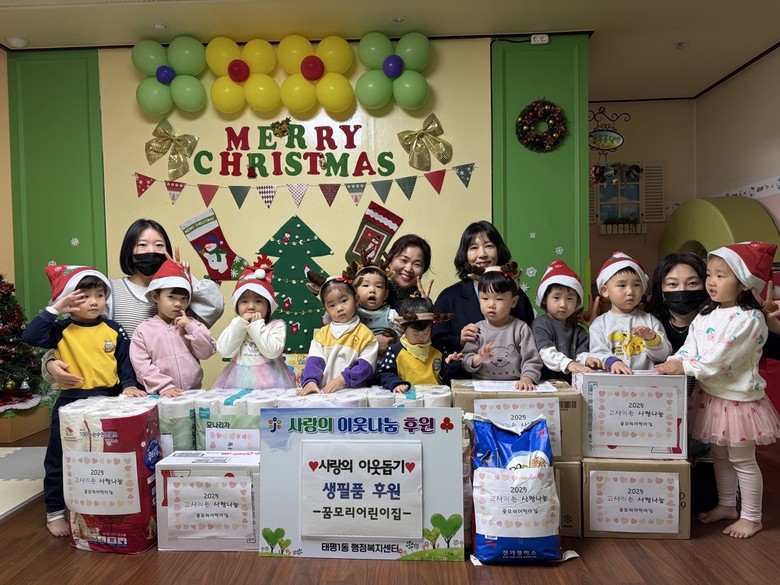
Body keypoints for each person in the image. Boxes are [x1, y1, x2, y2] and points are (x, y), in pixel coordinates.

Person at [655, 241, 780, 539]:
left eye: (721, 275)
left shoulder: (750, 320)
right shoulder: (706, 314)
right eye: (709, 274)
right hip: (712, 398)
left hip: (738, 402)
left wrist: (683, 367)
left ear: (744, 283)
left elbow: (720, 360)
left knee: (743, 460)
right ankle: (727, 505)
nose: (711, 281)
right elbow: (691, 348)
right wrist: (674, 361)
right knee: (721, 457)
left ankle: (751, 517)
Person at [21, 265, 144, 538]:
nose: (94, 302)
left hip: (109, 401)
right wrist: (56, 308)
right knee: (59, 457)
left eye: (99, 295)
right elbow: (30, 336)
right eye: (84, 296)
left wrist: (129, 386)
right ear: (69, 299)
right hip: (71, 403)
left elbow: (124, 362)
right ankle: (55, 511)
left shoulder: (114, 328)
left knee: (106, 457)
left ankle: (104, 504)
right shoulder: (60, 329)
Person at [44, 219, 225, 388]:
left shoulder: (180, 295)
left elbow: (214, 307)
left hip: (178, 393)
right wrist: (49, 364)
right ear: (129, 251)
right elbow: (79, 333)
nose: (151, 250)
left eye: (159, 245)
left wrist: (182, 276)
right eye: (142, 245)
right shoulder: (107, 292)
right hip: (126, 390)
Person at [433, 221, 534, 355]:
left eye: (489, 246)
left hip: (512, 368)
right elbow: (436, 342)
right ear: (465, 254)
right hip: (465, 367)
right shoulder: (448, 297)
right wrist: (459, 340)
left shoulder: (516, 295)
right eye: (474, 247)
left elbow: (530, 342)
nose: (482, 254)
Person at [129, 259, 217, 397]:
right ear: (155, 296)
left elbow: (207, 352)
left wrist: (190, 326)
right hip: (160, 395)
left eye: (184, 299)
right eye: (171, 297)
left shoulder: (192, 325)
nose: (178, 304)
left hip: (192, 394)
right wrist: (164, 387)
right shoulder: (143, 330)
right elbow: (142, 366)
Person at [213, 256, 296, 390]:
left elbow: (272, 352)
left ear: (268, 307)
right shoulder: (237, 326)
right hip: (238, 382)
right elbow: (224, 351)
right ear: (237, 307)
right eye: (244, 301)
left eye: (258, 301)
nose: (251, 306)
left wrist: (256, 326)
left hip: (271, 383)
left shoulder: (276, 326)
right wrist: (240, 324)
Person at [460, 263, 542, 390]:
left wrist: (527, 378)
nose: (491, 305)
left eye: (499, 299)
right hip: (482, 387)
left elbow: (531, 359)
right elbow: (465, 359)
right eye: (485, 298)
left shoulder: (521, 329)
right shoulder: (476, 329)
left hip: (515, 387)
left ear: (513, 301)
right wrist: (478, 358)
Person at [589, 251, 671, 373]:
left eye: (636, 285)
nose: (630, 291)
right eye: (622, 285)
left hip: (645, 382)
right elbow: (596, 353)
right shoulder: (600, 324)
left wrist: (651, 339)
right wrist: (613, 362)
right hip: (612, 381)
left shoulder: (650, 321)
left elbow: (663, 355)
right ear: (605, 291)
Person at [298, 276, 378, 395]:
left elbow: (366, 367)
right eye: (332, 305)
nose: (339, 308)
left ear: (356, 299)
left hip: (353, 395)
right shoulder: (322, 334)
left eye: (344, 301)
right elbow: (314, 362)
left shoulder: (366, 335)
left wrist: (342, 380)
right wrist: (310, 381)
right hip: (323, 393)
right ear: (326, 309)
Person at [532, 259, 603, 381]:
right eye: (556, 297)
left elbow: (582, 352)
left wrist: (587, 359)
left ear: (577, 303)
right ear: (544, 299)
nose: (563, 304)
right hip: (545, 382)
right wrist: (568, 363)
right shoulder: (540, 325)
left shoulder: (578, 330)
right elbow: (545, 352)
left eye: (570, 299)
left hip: (571, 383)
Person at [375, 297, 460, 392]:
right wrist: (396, 384)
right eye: (415, 333)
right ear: (403, 328)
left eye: (426, 332)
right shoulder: (395, 351)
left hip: (434, 396)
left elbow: (445, 377)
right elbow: (385, 373)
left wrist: (450, 364)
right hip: (407, 396)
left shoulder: (438, 349)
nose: (421, 338)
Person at [645, 252, 708, 352]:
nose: (682, 289)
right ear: (660, 288)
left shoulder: (716, 322)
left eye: (692, 283)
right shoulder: (648, 324)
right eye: (672, 284)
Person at [347, 260, 399, 357]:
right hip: (356, 358)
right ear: (355, 291)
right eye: (366, 285)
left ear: (385, 294)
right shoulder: (351, 312)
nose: (372, 290)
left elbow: (402, 339)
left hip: (383, 361)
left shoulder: (391, 315)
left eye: (378, 286)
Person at [382, 234, 432, 310]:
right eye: (404, 260)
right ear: (390, 261)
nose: (408, 269)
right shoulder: (374, 291)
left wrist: (424, 309)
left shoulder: (423, 301)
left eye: (417, 264)